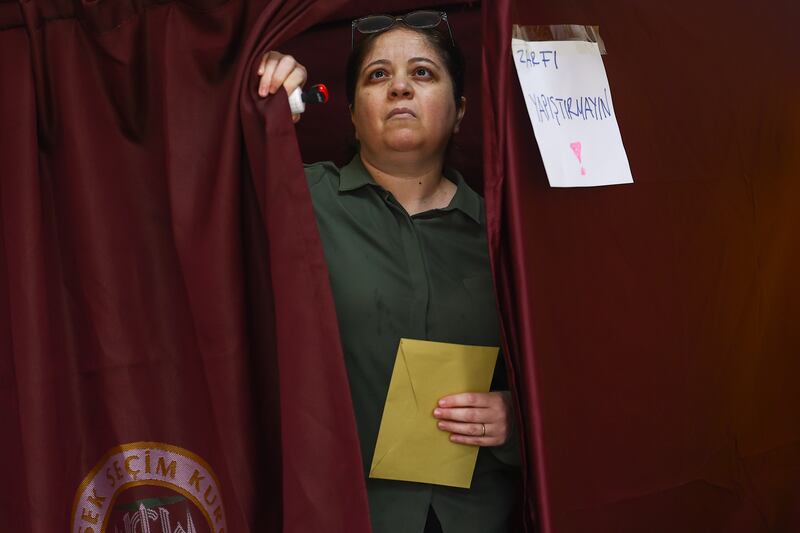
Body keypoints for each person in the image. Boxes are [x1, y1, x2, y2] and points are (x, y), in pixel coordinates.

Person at [257, 11, 520, 533]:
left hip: (477, 516)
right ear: (353, 115)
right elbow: (195, 191)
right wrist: (250, 100)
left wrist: (518, 418)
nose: (400, 86)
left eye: (423, 73)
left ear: (460, 109)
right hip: (338, 514)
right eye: (378, 75)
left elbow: (566, 372)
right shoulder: (294, 199)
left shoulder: (503, 234)